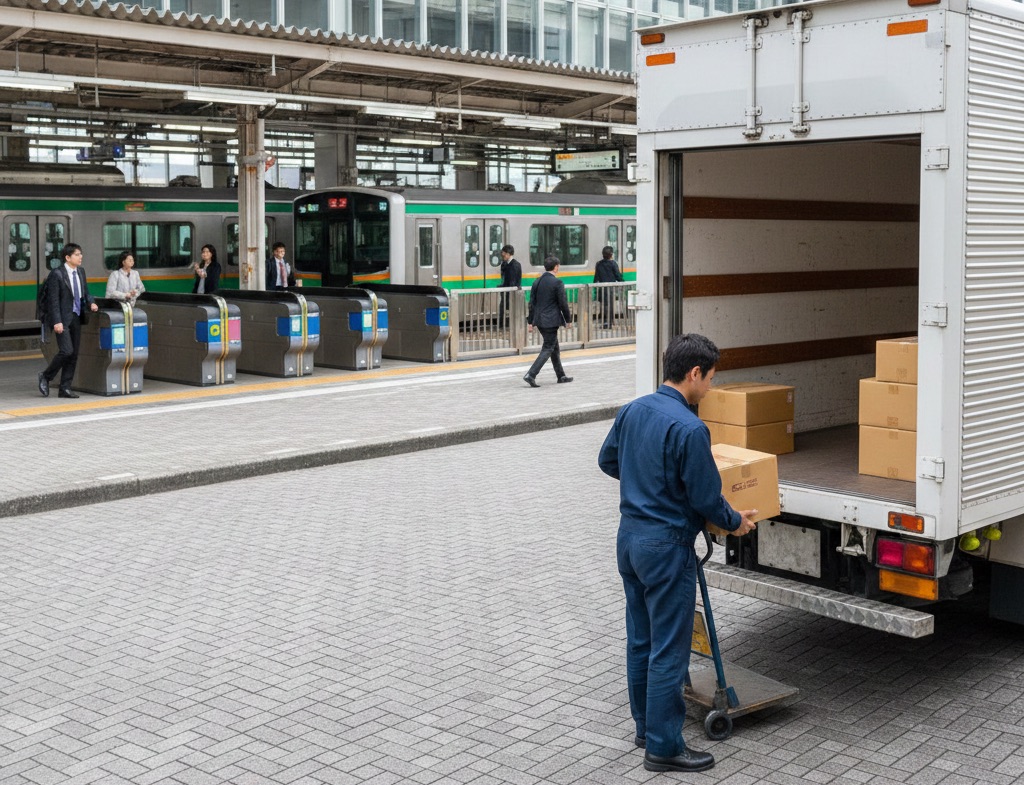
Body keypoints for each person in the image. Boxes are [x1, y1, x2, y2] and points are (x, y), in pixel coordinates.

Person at [597, 333, 758, 774]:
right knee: (669, 648)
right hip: (666, 547)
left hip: (629, 540)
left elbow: (607, 461)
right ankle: (664, 747)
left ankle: (645, 729)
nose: (711, 386)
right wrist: (735, 522)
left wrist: (644, 483)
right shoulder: (689, 427)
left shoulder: (632, 410)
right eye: (710, 378)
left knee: (641, 638)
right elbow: (707, 497)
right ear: (694, 373)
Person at [37, 243, 99, 399]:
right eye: (77, 254)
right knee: (66, 350)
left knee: (74, 354)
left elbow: (85, 292)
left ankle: (65, 388)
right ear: (67, 257)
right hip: (62, 320)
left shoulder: (81, 272)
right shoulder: (56, 274)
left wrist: (91, 302)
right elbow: (53, 301)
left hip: (76, 317)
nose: (81, 257)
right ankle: (46, 376)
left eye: (80, 254)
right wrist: (57, 321)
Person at [523, 254, 573, 387]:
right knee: (548, 347)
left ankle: (561, 375)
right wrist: (568, 319)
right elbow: (563, 303)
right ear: (556, 267)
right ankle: (531, 374)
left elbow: (531, 303)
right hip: (551, 321)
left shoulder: (537, 281)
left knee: (554, 348)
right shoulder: (557, 282)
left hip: (539, 320)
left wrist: (530, 321)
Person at [593, 245, 624, 328]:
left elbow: (596, 277)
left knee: (604, 305)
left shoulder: (598, 264)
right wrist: (622, 282)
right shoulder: (613, 264)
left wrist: (595, 286)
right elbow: (618, 275)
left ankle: (606, 321)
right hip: (610, 288)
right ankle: (609, 322)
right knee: (609, 305)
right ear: (611, 255)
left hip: (601, 288)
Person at [497, 243, 521, 325]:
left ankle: (514, 324)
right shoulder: (504, 264)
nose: (502, 256)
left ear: (508, 254)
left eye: (503, 255)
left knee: (512, 308)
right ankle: (501, 324)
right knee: (503, 307)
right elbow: (504, 277)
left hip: (512, 291)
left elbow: (514, 280)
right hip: (506, 290)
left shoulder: (515, 265)